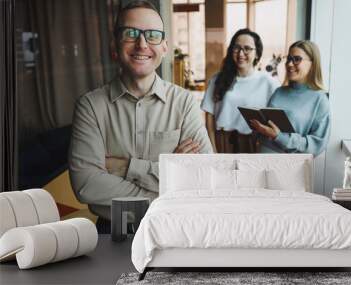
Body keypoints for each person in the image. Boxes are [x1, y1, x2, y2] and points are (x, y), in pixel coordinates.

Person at [68, 0, 213, 233]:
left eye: (153, 35)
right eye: (131, 33)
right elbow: (87, 186)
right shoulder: (90, 106)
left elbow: (206, 177)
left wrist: (128, 167)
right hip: (112, 232)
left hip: (176, 229)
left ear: (164, 47)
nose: (142, 44)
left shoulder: (184, 102)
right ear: (115, 45)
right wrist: (169, 181)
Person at [201, 28, 280, 153]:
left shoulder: (269, 82)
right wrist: (212, 150)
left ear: (257, 54)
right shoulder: (218, 79)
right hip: (222, 142)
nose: (241, 53)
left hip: (255, 144)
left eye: (247, 48)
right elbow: (209, 118)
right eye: (236, 48)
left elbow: (276, 121)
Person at [250, 40, 330, 156]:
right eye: (288, 59)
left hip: (289, 167)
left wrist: (279, 137)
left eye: (297, 59)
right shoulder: (279, 92)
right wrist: (259, 128)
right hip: (261, 160)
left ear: (312, 64)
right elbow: (267, 129)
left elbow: (317, 146)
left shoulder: (320, 100)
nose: (290, 64)